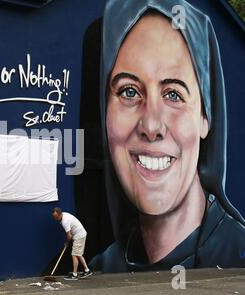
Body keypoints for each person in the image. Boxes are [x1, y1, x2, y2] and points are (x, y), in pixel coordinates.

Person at [89, 0, 245, 273]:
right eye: (128, 92)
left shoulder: (237, 258)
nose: (151, 125)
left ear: (205, 117)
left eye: (173, 94)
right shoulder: (102, 269)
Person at [52, 207, 93, 280]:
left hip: (79, 236)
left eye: (56, 217)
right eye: (54, 217)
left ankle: (74, 275)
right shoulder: (64, 215)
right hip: (80, 234)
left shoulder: (65, 221)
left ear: (60, 214)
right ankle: (87, 270)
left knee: (74, 255)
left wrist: (67, 243)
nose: (55, 219)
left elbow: (69, 235)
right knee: (78, 254)